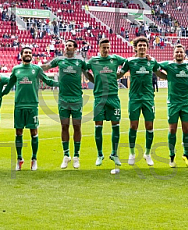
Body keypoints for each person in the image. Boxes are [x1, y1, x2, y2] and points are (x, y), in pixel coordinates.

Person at [2, 46, 58, 170]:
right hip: (19, 105)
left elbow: (48, 81)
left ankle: (34, 158)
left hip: (32, 105)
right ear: (21, 55)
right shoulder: (16, 69)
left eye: (29, 53)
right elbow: (9, 86)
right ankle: (19, 158)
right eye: (25, 52)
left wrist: (62, 84)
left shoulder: (37, 69)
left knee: (34, 132)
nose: (28, 54)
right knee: (18, 132)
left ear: (32, 55)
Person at [42, 39, 87, 169]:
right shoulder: (59, 60)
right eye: (66, 45)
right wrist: (31, 67)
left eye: (70, 46)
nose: (67, 47)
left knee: (77, 127)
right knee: (64, 126)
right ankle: (66, 155)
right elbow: (47, 66)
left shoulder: (80, 62)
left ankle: (76, 156)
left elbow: (89, 71)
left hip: (77, 98)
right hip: (63, 99)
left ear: (75, 48)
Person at [85, 38, 127, 174]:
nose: (106, 50)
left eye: (108, 47)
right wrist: (92, 79)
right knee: (98, 126)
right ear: (99, 48)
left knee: (116, 125)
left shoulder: (115, 59)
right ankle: (100, 154)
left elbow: (128, 63)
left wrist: (120, 74)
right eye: (104, 48)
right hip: (99, 97)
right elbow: (84, 69)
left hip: (113, 97)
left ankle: (114, 153)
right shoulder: (93, 61)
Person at [118, 36, 161, 167]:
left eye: (144, 45)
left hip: (148, 98)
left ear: (147, 47)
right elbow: (120, 74)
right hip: (135, 98)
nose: (142, 47)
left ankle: (147, 154)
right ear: (135, 47)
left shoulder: (152, 61)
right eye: (139, 45)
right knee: (133, 126)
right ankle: (132, 153)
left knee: (149, 127)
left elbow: (161, 71)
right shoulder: (130, 61)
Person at [157, 44, 188, 167]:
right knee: (172, 130)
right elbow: (156, 67)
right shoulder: (168, 65)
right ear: (173, 54)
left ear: (184, 54)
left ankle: (186, 154)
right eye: (177, 52)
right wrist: (165, 76)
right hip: (173, 103)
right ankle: (171, 156)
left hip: (186, 102)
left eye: (181, 52)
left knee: (187, 129)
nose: (179, 54)